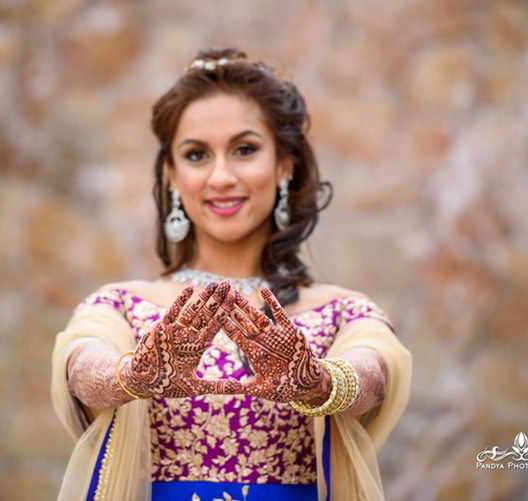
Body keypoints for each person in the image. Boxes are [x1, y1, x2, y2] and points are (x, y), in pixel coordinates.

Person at [51, 48, 412, 501]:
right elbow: (82, 368)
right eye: (197, 154)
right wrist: (130, 378)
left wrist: (321, 385)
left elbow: (373, 373)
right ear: (172, 175)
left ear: (285, 164)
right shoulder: (120, 306)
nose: (221, 176)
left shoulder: (342, 311)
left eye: (244, 149)